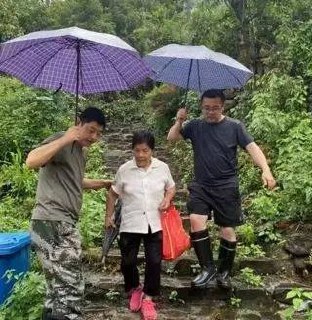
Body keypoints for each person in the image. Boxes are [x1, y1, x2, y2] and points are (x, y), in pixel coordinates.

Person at [167, 89, 276, 289]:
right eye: (206, 108)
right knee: (195, 220)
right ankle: (207, 268)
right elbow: (172, 138)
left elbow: (252, 148)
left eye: (215, 108)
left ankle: (224, 272)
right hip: (201, 185)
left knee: (227, 229)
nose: (210, 112)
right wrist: (179, 121)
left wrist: (266, 170)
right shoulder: (195, 125)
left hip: (226, 185)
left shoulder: (234, 126)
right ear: (201, 107)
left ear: (222, 106)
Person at [26, 107, 112, 320]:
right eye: (90, 130)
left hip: (53, 222)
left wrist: (101, 183)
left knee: (55, 289)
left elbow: (74, 181)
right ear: (77, 123)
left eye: (98, 133)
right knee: (71, 287)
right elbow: (32, 160)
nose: (94, 137)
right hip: (54, 222)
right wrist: (65, 138)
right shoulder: (61, 141)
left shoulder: (80, 152)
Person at [105, 130, 175, 320]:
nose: (141, 155)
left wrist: (167, 199)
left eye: (145, 151)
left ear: (152, 150)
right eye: (137, 150)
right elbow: (112, 194)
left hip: (155, 222)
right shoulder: (124, 169)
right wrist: (109, 216)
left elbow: (171, 187)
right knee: (128, 261)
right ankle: (134, 288)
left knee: (154, 261)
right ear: (132, 150)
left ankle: (149, 297)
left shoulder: (162, 168)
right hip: (130, 222)